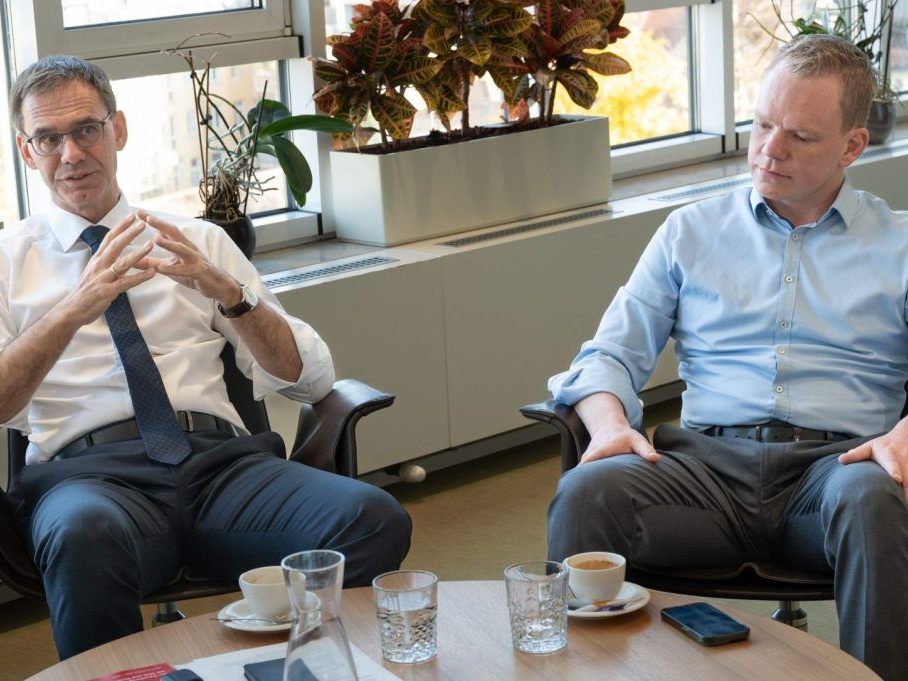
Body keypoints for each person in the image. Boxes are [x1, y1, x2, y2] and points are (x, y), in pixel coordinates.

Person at [0, 55, 411, 660]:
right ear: (26, 150)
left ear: (117, 130)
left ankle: (300, 668)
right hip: (89, 480)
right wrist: (73, 309)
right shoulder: (8, 262)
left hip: (221, 470)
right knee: (83, 536)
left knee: (374, 518)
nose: (72, 154)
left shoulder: (198, 241)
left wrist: (231, 294)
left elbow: (309, 379)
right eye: (48, 138)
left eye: (86, 129)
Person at [546, 34, 908, 681]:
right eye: (762, 124)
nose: (770, 149)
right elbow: (608, 355)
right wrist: (608, 425)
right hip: (703, 475)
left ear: (852, 146)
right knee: (587, 490)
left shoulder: (900, 245)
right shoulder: (690, 231)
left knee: (872, 499)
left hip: (835, 474)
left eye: (799, 135)